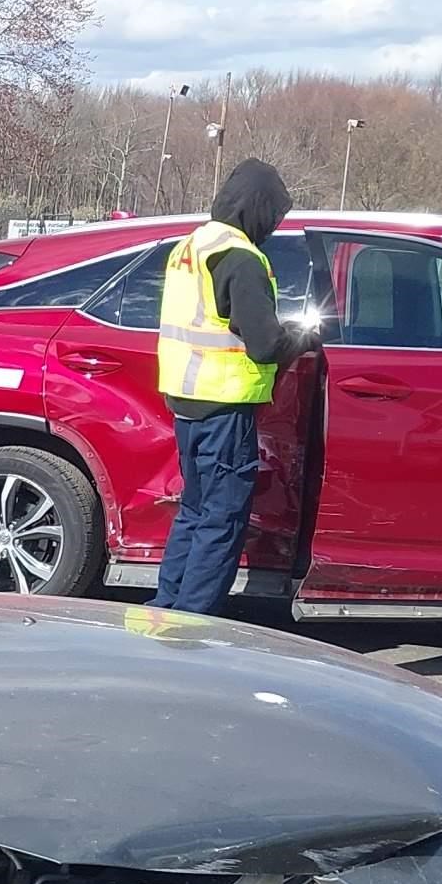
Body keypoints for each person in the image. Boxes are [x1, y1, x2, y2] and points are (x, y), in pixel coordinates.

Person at [152, 157, 310, 614]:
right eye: (274, 216)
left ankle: (167, 609)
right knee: (221, 519)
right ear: (258, 207)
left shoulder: (193, 244)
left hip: (186, 400)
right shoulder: (241, 257)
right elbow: (263, 344)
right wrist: (304, 337)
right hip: (224, 404)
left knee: (194, 512)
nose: (275, 226)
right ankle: (193, 622)